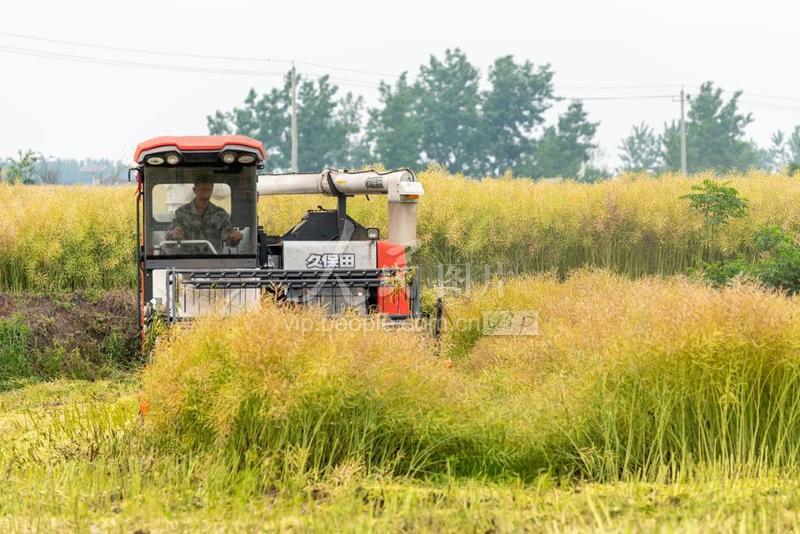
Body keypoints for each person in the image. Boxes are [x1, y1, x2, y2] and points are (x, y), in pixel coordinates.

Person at [167, 178, 242, 253]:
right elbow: (168, 242)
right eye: (202, 190)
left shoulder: (220, 214)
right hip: (188, 260)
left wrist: (235, 237)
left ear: (212, 190)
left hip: (213, 261)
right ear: (194, 190)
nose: (205, 194)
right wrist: (173, 235)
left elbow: (229, 242)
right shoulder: (182, 213)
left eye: (208, 190)